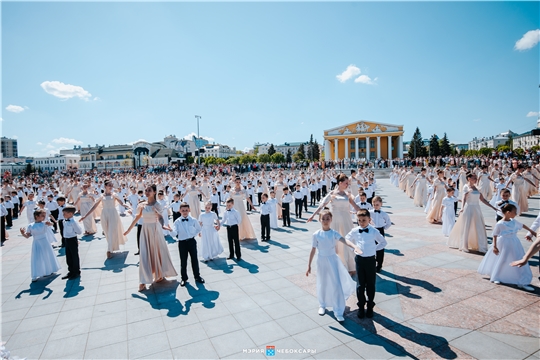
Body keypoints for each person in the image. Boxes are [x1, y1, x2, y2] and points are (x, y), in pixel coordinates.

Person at [306, 210, 360, 322]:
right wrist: (309, 265)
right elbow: (313, 249)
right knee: (323, 282)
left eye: (327, 218)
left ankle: (338, 311)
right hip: (321, 260)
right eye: (323, 218)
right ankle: (322, 304)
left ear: (331, 220)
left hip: (332, 260)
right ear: (319, 220)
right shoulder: (316, 234)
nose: (325, 221)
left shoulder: (333, 233)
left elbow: (344, 240)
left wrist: (354, 246)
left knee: (336, 284)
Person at [124, 185, 177, 292]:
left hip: (155, 230)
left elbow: (161, 217)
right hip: (145, 230)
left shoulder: (157, 205)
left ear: (154, 192)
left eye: (149, 190)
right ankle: (143, 281)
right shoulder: (142, 205)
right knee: (144, 254)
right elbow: (137, 218)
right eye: (146, 190)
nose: (147, 192)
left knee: (157, 252)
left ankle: (159, 273)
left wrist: (163, 226)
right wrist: (128, 230)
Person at [308, 174, 362, 275]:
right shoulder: (332, 194)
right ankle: (338, 266)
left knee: (348, 241)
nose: (347, 185)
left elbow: (356, 207)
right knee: (337, 244)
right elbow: (322, 205)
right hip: (335, 220)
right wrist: (312, 215)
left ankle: (351, 266)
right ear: (340, 183)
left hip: (346, 220)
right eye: (346, 183)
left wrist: (367, 215)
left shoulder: (348, 194)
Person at [478, 204, 536, 292]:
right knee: (502, 259)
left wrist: (531, 231)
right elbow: (495, 235)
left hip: (514, 242)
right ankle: (496, 276)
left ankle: (522, 279)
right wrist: (495, 246)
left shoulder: (513, 221)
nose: (516, 213)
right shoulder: (500, 223)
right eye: (514, 212)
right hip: (504, 243)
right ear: (508, 213)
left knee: (518, 257)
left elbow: (522, 225)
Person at [346, 209, 387, 319]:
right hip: (359, 260)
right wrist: (353, 249)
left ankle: (370, 306)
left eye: (364, 220)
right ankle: (360, 306)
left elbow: (383, 242)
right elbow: (346, 239)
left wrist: (374, 249)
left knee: (370, 284)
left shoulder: (374, 231)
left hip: (370, 260)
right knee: (360, 284)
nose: (362, 222)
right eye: (359, 220)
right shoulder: (355, 231)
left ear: (369, 219)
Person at [447, 173, 498, 253]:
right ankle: (464, 245)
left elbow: (483, 200)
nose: (476, 179)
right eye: (474, 178)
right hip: (469, 208)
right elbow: (464, 198)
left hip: (476, 208)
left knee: (478, 226)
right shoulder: (466, 187)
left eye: (476, 178)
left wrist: (493, 207)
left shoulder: (476, 188)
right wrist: (462, 207)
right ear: (469, 178)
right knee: (467, 226)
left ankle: (479, 245)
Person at [79, 180, 129, 259]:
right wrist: (85, 216)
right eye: (109, 185)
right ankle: (111, 247)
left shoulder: (114, 195)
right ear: (105, 186)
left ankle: (109, 250)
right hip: (104, 214)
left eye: (112, 185)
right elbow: (94, 207)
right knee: (107, 232)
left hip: (113, 214)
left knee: (112, 231)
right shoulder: (101, 196)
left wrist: (128, 207)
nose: (111, 187)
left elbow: (122, 203)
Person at [19, 209, 61, 282]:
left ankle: (49, 270)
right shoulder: (30, 225)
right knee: (37, 257)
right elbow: (27, 236)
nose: (44, 217)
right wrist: (23, 233)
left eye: (44, 216)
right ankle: (36, 274)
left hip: (45, 241)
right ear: (36, 216)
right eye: (42, 216)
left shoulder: (44, 223)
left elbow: (52, 224)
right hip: (37, 242)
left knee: (47, 255)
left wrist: (50, 223)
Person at [172, 202, 204, 286]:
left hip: (191, 242)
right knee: (183, 261)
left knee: (194, 260)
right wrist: (170, 230)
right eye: (183, 210)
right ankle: (184, 278)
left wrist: (193, 234)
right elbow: (174, 233)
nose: (185, 212)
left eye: (186, 210)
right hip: (182, 243)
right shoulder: (177, 222)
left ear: (189, 210)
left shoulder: (193, 220)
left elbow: (198, 229)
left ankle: (197, 276)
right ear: (180, 211)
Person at [59, 206, 82, 280]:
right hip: (67, 240)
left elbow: (79, 231)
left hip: (72, 239)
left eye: (65, 213)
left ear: (70, 214)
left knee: (74, 256)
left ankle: (76, 271)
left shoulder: (73, 222)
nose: (63, 215)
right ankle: (70, 271)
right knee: (68, 256)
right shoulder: (64, 221)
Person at [369, 196, 391, 273]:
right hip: (372, 230)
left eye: (377, 204)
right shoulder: (370, 212)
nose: (375, 206)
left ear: (381, 204)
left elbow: (388, 222)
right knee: (372, 246)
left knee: (380, 247)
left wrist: (383, 228)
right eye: (374, 204)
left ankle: (379, 265)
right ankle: (372, 263)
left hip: (380, 230)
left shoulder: (384, 214)